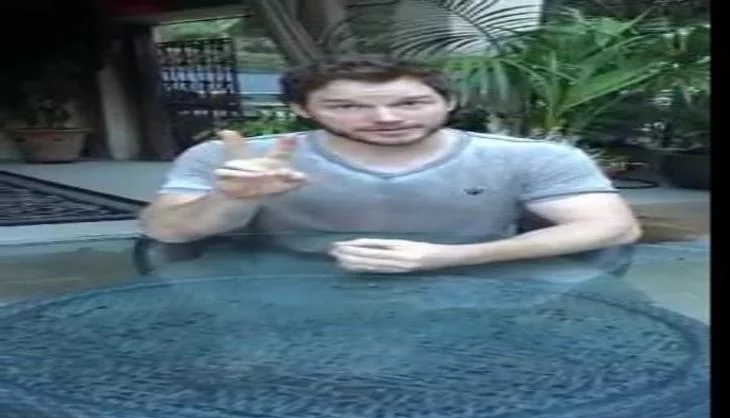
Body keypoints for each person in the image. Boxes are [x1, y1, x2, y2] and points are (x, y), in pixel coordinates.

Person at [139, 55, 641, 275]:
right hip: (286, 280)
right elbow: (166, 232)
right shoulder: (234, 158)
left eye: (410, 103)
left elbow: (612, 227)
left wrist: (450, 259)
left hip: (480, 277)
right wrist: (228, 198)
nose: (385, 119)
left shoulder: (530, 157)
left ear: (449, 102)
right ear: (301, 110)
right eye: (347, 106)